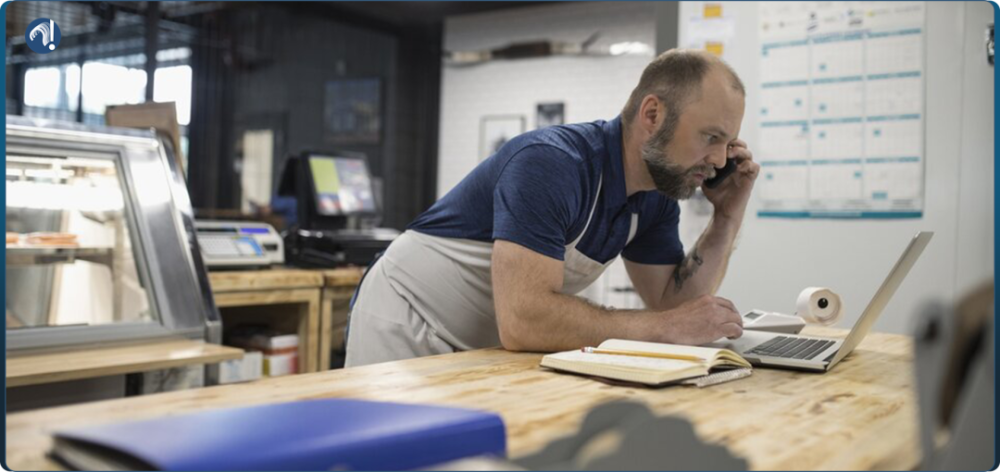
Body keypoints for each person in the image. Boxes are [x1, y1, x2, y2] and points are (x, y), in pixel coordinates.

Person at [345, 49, 760, 367]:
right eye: (711, 137)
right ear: (652, 114)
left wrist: (727, 216)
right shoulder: (551, 164)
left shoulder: (656, 196)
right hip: (407, 320)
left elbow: (673, 307)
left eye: (729, 143)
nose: (722, 160)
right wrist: (664, 329)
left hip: (482, 341)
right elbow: (525, 318)